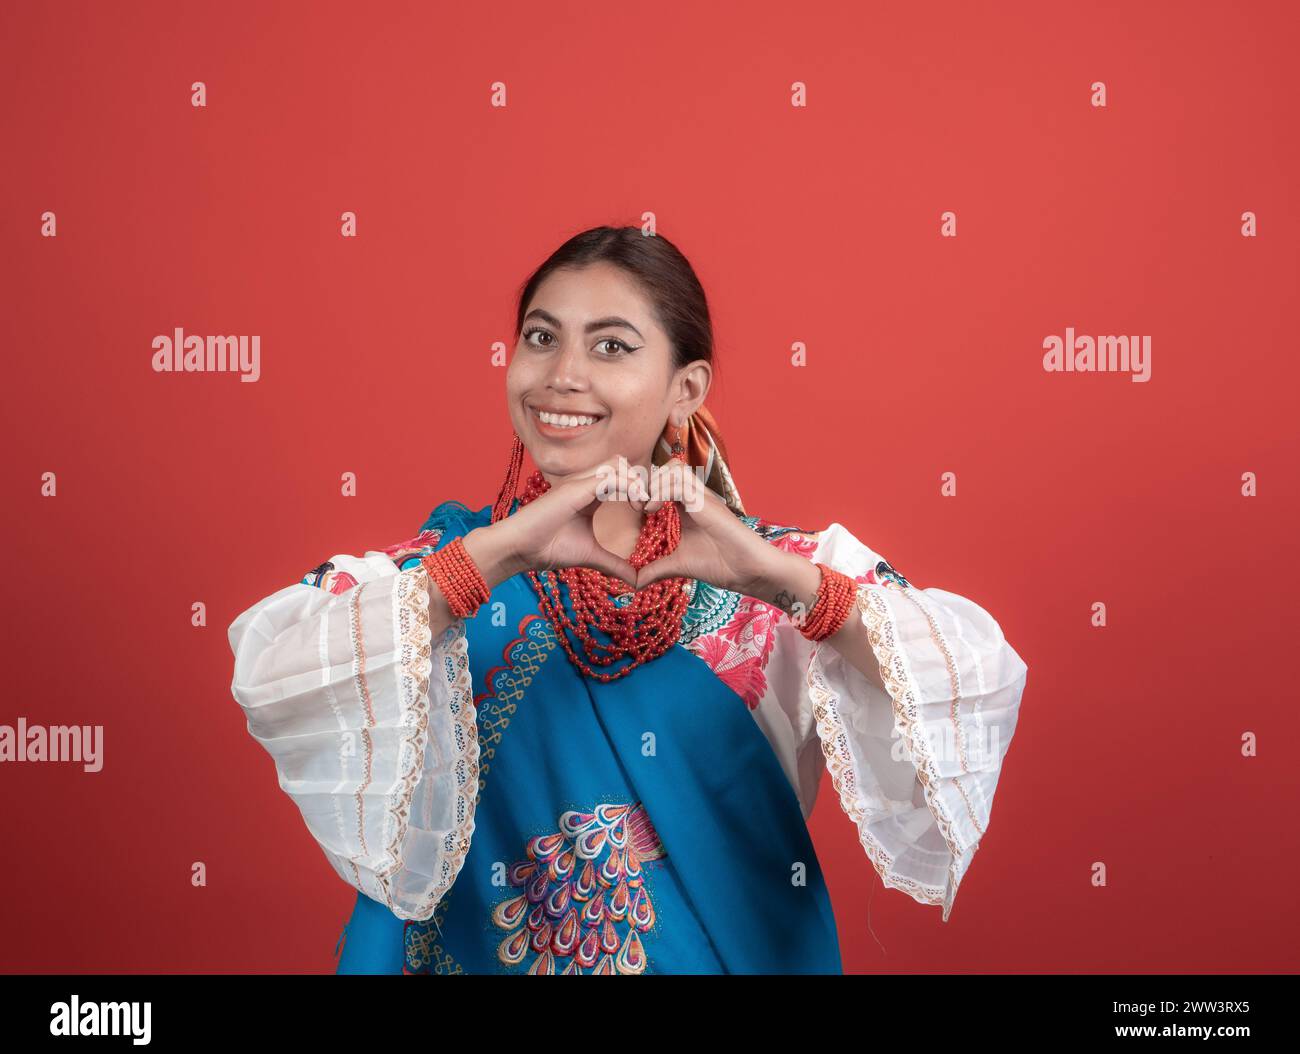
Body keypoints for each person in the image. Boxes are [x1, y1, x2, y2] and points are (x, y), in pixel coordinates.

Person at [227, 226, 1029, 975]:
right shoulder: (442, 576)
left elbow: (975, 675)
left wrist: (774, 578)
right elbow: (273, 665)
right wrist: (499, 553)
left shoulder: (783, 581)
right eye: (542, 337)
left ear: (687, 386)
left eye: (611, 346)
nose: (562, 373)